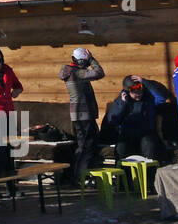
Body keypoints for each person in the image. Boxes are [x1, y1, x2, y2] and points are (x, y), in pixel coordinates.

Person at [59, 47, 105, 184]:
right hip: (83, 115)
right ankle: (78, 177)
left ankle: (82, 175)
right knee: (85, 147)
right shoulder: (77, 73)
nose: (85, 64)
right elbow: (99, 73)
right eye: (84, 61)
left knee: (86, 145)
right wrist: (92, 59)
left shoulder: (72, 72)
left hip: (82, 115)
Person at [102, 77, 171, 163]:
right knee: (121, 148)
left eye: (140, 90)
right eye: (134, 91)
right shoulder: (121, 101)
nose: (138, 93)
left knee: (150, 145)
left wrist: (145, 82)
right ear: (127, 91)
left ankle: (149, 173)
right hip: (127, 135)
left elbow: (161, 97)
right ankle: (124, 174)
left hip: (146, 134)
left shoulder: (149, 99)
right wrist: (123, 105)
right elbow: (112, 120)